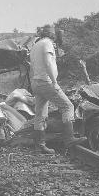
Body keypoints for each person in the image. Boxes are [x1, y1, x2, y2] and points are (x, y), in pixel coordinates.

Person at [29, 25, 85, 154]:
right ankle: (69, 138)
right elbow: (48, 63)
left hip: (36, 82)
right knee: (68, 107)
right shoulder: (48, 44)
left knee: (41, 114)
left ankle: (40, 146)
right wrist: (54, 82)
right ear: (52, 35)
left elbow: (32, 68)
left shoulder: (36, 45)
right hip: (46, 82)